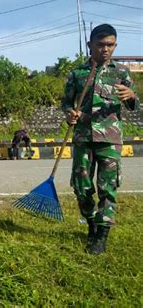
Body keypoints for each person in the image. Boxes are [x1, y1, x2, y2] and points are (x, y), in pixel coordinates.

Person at [62, 24, 139, 255]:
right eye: (101, 44)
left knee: (108, 187)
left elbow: (132, 105)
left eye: (110, 45)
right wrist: (69, 113)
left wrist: (131, 96)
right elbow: (65, 102)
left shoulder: (122, 73)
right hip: (83, 137)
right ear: (90, 45)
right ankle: (92, 220)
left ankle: (101, 234)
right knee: (81, 186)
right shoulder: (77, 74)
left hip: (110, 139)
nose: (106, 49)